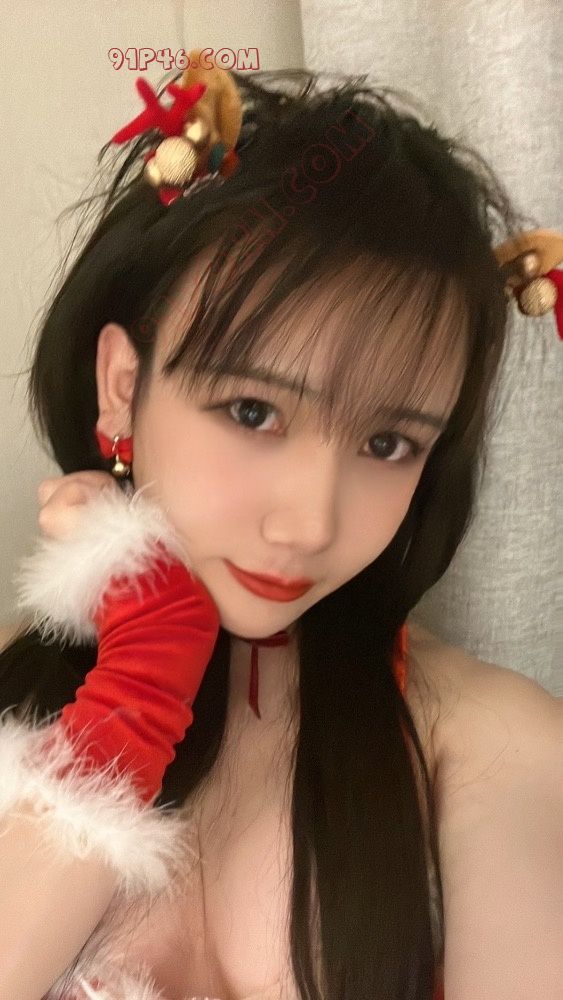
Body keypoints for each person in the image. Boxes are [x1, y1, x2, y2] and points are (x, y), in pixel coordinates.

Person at [0, 53, 561, 1000]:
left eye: (387, 443)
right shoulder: (14, 694)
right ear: (123, 386)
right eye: (253, 412)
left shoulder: (494, 745)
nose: (308, 524)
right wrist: (139, 685)